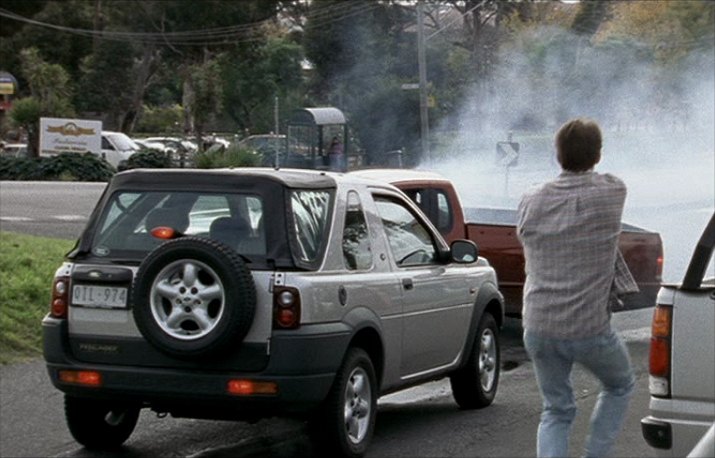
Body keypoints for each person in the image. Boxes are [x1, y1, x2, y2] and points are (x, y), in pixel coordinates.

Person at [516, 118, 637, 458]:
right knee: (620, 384)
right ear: (598, 155)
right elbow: (606, 179)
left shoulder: (531, 199)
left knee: (556, 410)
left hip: (538, 325)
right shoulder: (613, 192)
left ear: (557, 155)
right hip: (589, 328)